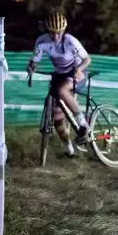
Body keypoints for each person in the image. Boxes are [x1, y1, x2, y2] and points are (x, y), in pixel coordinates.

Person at [26, 10, 92, 156]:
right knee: (57, 118)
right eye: (52, 33)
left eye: (59, 33)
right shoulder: (42, 41)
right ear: (47, 31)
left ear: (63, 30)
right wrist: (31, 67)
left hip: (77, 72)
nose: (56, 36)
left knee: (62, 91)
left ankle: (83, 125)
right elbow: (34, 61)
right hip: (60, 74)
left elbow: (87, 59)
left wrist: (79, 69)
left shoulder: (70, 41)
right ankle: (69, 149)